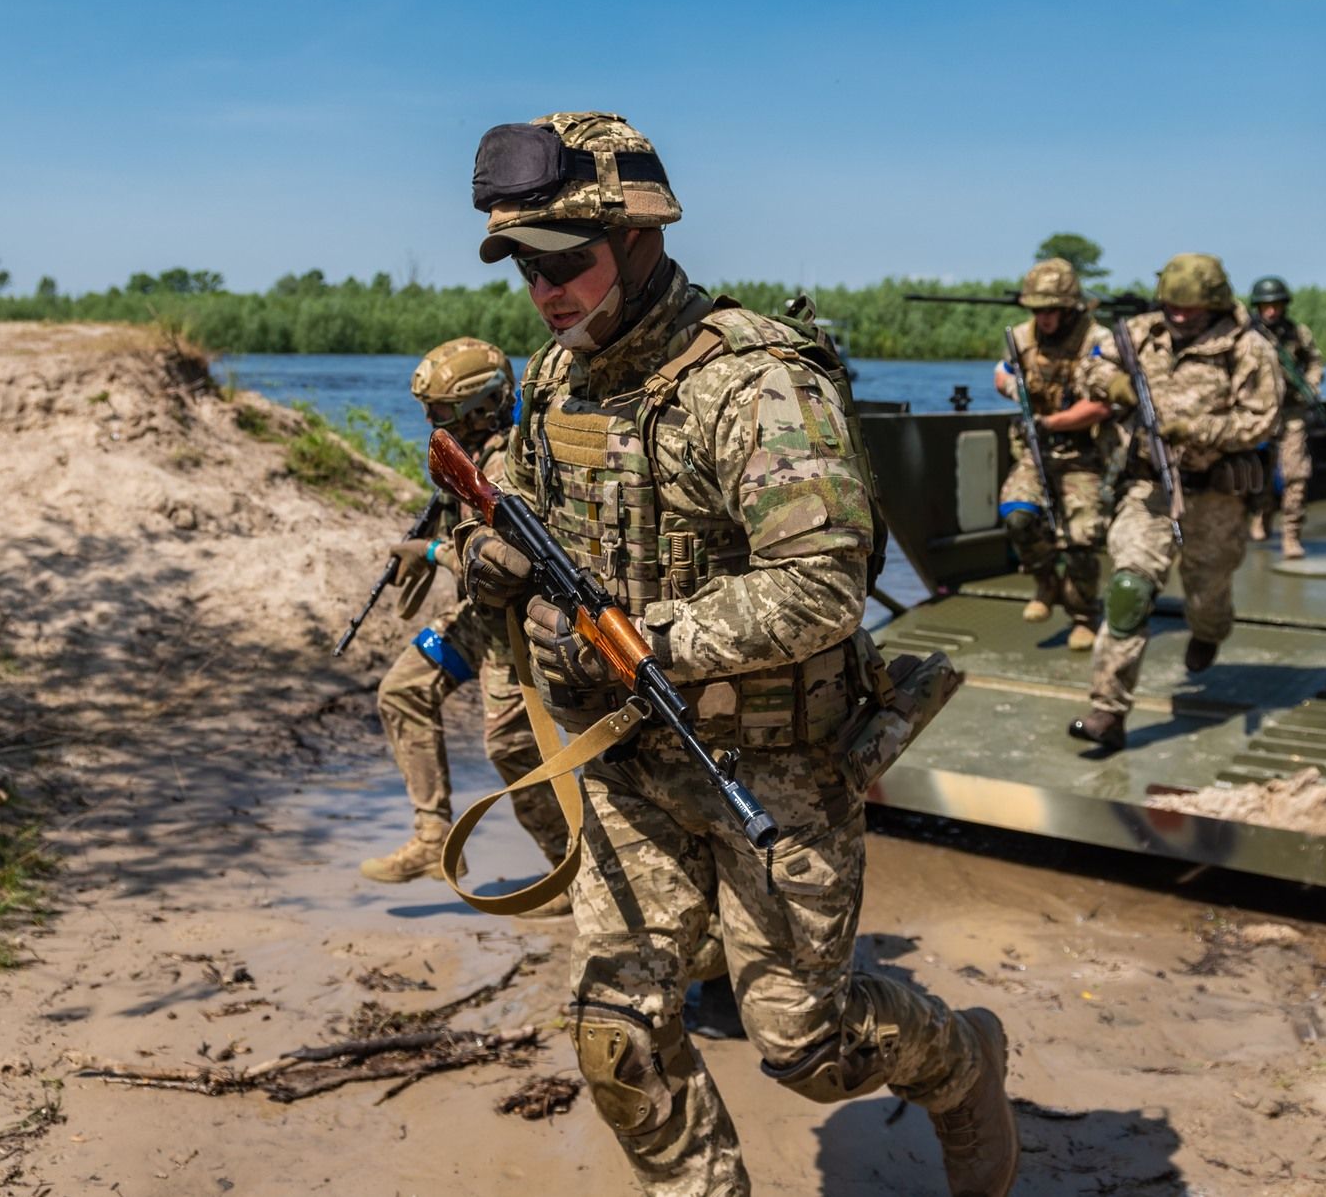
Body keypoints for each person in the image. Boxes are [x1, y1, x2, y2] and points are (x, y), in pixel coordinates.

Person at [452, 111, 1016, 1197]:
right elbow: (528, 493)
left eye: (564, 260)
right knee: (615, 1033)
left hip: (774, 768)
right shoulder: (560, 377)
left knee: (806, 1044)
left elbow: (822, 585)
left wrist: (643, 643)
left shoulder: (755, 380)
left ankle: (961, 1063)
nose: (544, 291)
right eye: (523, 267)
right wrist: (494, 549)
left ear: (639, 237)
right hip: (629, 765)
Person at [360, 338, 571, 912]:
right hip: (478, 620)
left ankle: (572, 874)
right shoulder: (464, 456)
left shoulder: (504, 465)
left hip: (515, 631)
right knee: (403, 691)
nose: (431, 420)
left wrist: (431, 553)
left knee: (512, 749)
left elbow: (505, 563)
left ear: (482, 405)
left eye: (442, 410)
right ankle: (433, 838)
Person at [1069, 254, 1280, 751]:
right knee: (1129, 588)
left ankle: (1209, 633)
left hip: (1216, 494)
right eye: (1172, 306)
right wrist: (1114, 384)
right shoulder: (1138, 333)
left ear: (1215, 304)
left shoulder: (1248, 348)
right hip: (1149, 489)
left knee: (1207, 597)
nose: (1179, 316)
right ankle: (1108, 711)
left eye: (1191, 308)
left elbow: (1263, 419)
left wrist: (1198, 429)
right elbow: (1088, 369)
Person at [992, 258, 1123, 650]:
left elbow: (1101, 405)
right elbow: (1001, 372)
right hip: (1036, 453)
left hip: (1083, 454)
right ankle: (1046, 580)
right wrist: (1013, 388)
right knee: (1017, 516)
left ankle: (1083, 615)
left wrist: (1051, 422)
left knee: (1081, 540)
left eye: (1051, 310)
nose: (1043, 318)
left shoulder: (1098, 340)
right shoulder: (1021, 336)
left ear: (1070, 308)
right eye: (1037, 310)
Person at [1245, 275, 1324, 559]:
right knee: (1259, 473)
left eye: (1276, 305)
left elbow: (1314, 361)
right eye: (1266, 306)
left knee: (1295, 474)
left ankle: (1291, 533)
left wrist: (1312, 385)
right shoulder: (1247, 335)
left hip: (1291, 412)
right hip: (1257, 413)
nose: (1271, 311)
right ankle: (1261, 513)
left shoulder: (1297, 333)